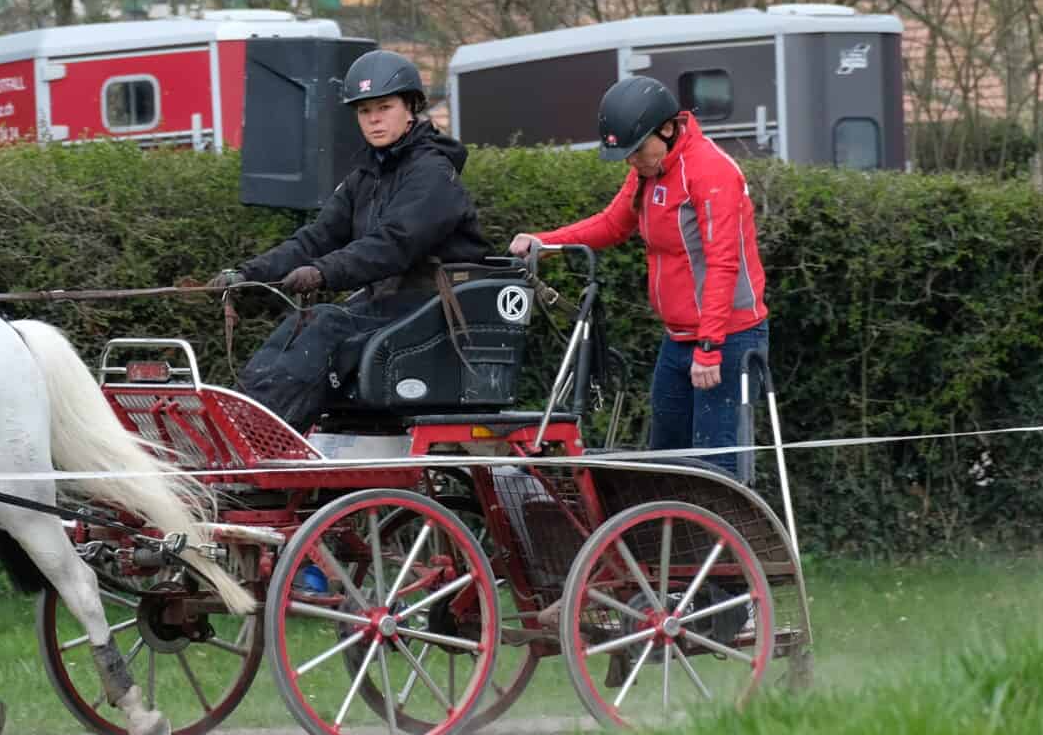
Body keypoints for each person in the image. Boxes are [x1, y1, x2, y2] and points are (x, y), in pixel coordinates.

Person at [189, 50, 488, 431]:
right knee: (305, 319)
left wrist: (321, 272)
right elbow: (314, 239)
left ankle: (259, 431)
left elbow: (392, 244)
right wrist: (247, 274)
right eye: (364, 111)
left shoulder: (432, 174)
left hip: (436, 310)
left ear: (411, 107)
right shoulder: (365, 176)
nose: (374, 119)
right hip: (391, 305)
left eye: (384, 107)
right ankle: (238, 418)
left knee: (327, 322)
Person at [509, 75, 770, 482]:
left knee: (717, 475)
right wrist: (543, 242)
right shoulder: (650, 169)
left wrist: (709, 345)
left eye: (636, 151)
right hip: (678, 338)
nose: (632, 162)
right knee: (664, 465)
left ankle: (725, 546)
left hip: (728, 340)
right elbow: (612, 225)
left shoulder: (710, 171)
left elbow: (723, 263)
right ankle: (670, 543)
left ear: (667, 130)